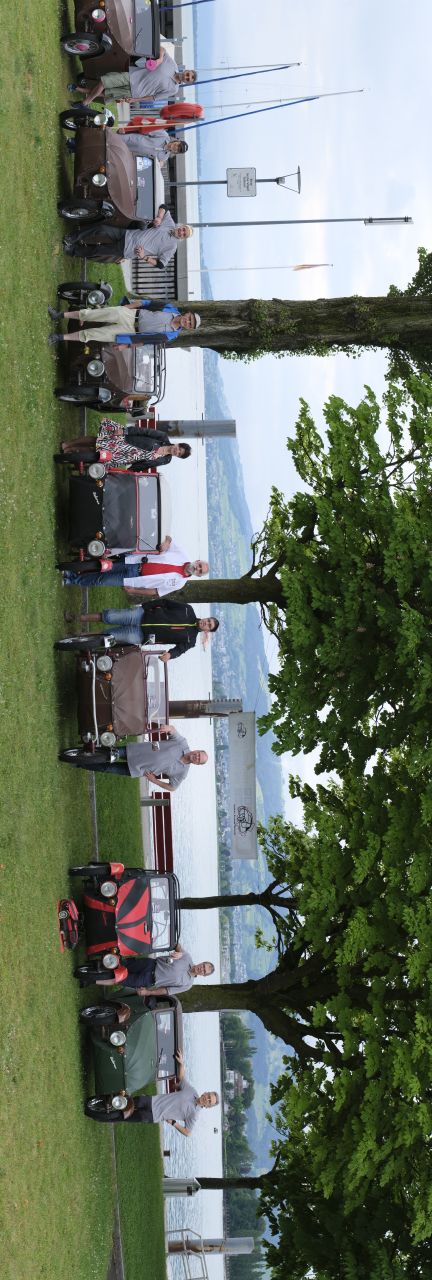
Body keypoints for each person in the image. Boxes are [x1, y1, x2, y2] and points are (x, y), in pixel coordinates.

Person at [85, 1049, 219, 1129]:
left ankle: (95, 1115)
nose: (206, 1099)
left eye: (209, 1101)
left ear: (207, 1106)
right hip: (149, 1101)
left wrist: (174, 1123)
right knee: (123, 1102)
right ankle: (98, 1103)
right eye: (208, 1096)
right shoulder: (192, 1091)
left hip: (152, 1116)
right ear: (205, 1093)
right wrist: (182, 1064)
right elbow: (182, 1077)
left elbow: (188, 1133)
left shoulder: (194, 1115)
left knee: (123, 1116)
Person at [59, 724, 208, 788]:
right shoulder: (182, 743)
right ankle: (81, 752)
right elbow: (173, 730)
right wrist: (168, 728)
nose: (196, 757)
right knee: (105, 752)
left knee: (106, 768)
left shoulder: (182, 772)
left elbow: (172, 788)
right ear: (196, 750)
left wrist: (154, 781)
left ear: (197, 764)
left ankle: (79, 763)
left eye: (198, 760)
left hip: (136, 769)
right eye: (198, 754)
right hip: (135, 751)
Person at [62, 600, 219, 658]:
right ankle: (76, 617)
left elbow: (179, 650)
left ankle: (77, 635)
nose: (206, 623)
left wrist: (170, 655)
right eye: (208, 620)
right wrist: (145, 607)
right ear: (206, 618)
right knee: (109, 616)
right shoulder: (187, 610)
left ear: (207, 631)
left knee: (108, 635)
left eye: (209, 625)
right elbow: (165, 602)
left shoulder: (191, 640)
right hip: (140, 615)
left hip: (140, 635)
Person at [60, 540, 209, 591]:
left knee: (102, 580)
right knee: (102, 566)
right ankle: (72, 571)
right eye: (199, 565)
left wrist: (134, 590)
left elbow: (156, 592)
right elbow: (169, 539)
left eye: (200, 571)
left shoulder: (179, 583)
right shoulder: (182, 554)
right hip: (135, 561)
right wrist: (166, 543)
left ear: (198, 575)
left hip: (135, 578)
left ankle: (72, 580)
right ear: (197, 560)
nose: (197, 568)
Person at [62, 207, 193, 265]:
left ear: (183, 238)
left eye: (184, 234)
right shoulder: (169, 223)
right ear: (182, 226)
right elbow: (164, 207)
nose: (181, 232)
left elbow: (161, 264)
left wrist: (144, 257)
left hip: (127, 249)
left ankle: (72, 251)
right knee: (101, 229)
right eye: (183, 229)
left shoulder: (172, 247)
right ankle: (71, 237)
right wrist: (159, 217)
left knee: (98, 250)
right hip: (127, 233)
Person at [48, 298, 201, 346]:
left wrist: (125, 345)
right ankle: (59, 315)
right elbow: (146, 303)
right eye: (189, 318)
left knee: (93, 335)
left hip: (129, 333)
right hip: (131, 315)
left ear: (189, 328)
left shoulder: (171, 336)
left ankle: (60, 337)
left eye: (190, 324)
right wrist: (125, 308)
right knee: (92, 314)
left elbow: (145, 342)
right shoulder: (169, 307)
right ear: (187, 313)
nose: (187, 322)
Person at [73, 51, 197, 107]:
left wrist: (135, 100)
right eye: (188, 74)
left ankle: (78, 89)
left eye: (188, 79)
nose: (186, 76)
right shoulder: (172, 64)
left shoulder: (174, 90)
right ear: (187, 70)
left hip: (135, 92)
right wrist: (159, 60)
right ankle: (85, 102)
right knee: (105, 81)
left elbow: (154, 97)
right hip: (132, 76)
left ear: (186, 82)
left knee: (106, 93)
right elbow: (162, 49)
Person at [77, 943, 215, 994]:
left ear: (203, 975)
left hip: (148, 980)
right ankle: (95, 964)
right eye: (204, 966)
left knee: (118, 979)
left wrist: (148, 992)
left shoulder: (187, 984)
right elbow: (176, 944)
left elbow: (167, 990)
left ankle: (92, 981)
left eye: (204, 971)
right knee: (121, 964)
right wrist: (179, 950)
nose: (201, 969)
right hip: (149, 964)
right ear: (202, 962)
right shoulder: (187, 957)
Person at [57, 420, 192, 470]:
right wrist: (125, 431)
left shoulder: (166, 460)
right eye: (179, 449)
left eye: (179, 454)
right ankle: (68, 444)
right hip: (126, 442)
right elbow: (143, 431)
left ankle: (71, 451)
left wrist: (131, 469)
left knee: (97, 455)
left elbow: (147, 465)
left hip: (125, 457)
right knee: (96, 442)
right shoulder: (163, 437)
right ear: (178, 444)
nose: (176, 451)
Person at [118, 130, 188, 166]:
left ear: (176, 153)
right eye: (178, 145)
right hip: (131, 139)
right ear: (177, 141)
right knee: (113, 139)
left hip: (129, 152)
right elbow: (144, 130)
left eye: (178, 150)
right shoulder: (164, 135)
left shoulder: (164, 158)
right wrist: (126, 130)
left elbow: (150, 163)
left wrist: (159, 165)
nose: (176, 147)